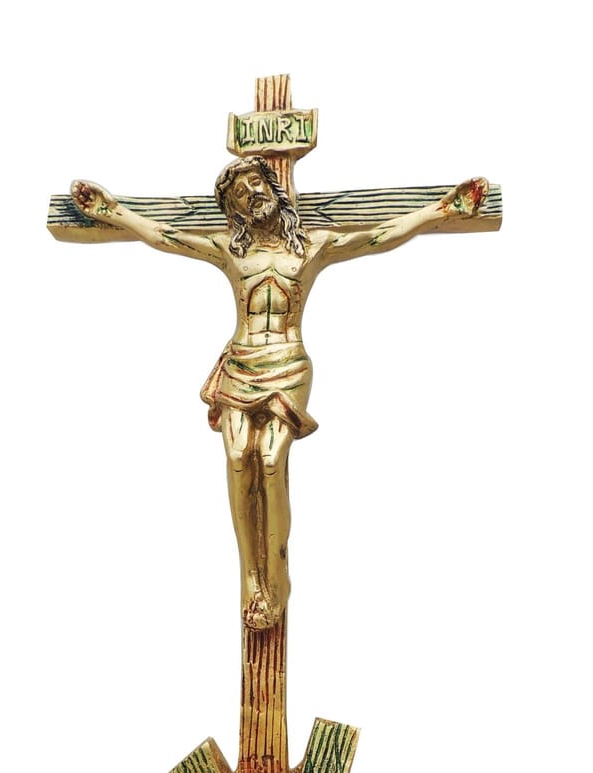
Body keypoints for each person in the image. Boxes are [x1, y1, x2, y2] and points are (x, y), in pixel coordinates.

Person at [72, 160, 488, 629]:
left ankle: (278, 576)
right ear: (234, 210)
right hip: (241, 361)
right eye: (239, 193)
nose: (251, 193)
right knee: (237, 457)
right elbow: (165, 235)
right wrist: (112, 211)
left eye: (256, 183)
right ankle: (252, 578)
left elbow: (378, 235)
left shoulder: (311, 247)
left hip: (287, 363)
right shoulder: (231, 252)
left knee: (270, 461)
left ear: (273, 188)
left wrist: (440, 211)